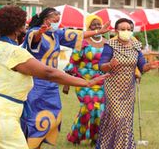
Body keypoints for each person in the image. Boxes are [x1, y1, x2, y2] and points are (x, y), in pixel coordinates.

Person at [0, 5, 108, 149]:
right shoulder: (17, 53)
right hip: (0, 115)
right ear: (19, 27)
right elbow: (49, 73)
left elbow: (73, 35)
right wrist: (87, 83)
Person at [20, 8, 110, 149]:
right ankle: (29, 144)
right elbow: (34, 38)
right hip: (35, 82)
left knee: (54, 115)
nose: (58, 20)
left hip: (51, 82)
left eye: (59, 18)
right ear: (46, 18)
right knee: (33, 116)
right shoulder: (34, 31)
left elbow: (78, 35)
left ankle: (36, 144)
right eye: (55, 17)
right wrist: (40, 32)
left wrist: (99, 32)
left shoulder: (56, 34)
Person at [96, 18, 159, 149]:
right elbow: (101, 66)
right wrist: (109, 64)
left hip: (128, 88)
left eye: (129, 29)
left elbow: (142, 66)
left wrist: (150, 65)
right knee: (117, 117)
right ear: (116, 31)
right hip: (113, 87)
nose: (126, 31)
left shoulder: (136, 45)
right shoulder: (110, 45)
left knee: (125, 120)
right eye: (123, 29)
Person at [63, 15, 107, 145]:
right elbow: (73, 62)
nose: (97, 27)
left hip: (101, 82)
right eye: (93, 25)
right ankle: (75, 136)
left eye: (99, 24)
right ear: (89, 27)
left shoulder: (107, 42)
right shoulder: (82, 41)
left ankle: (96, 138)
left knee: (99, 111)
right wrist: (67, 83)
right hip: (83, 81)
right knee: (88, 108)